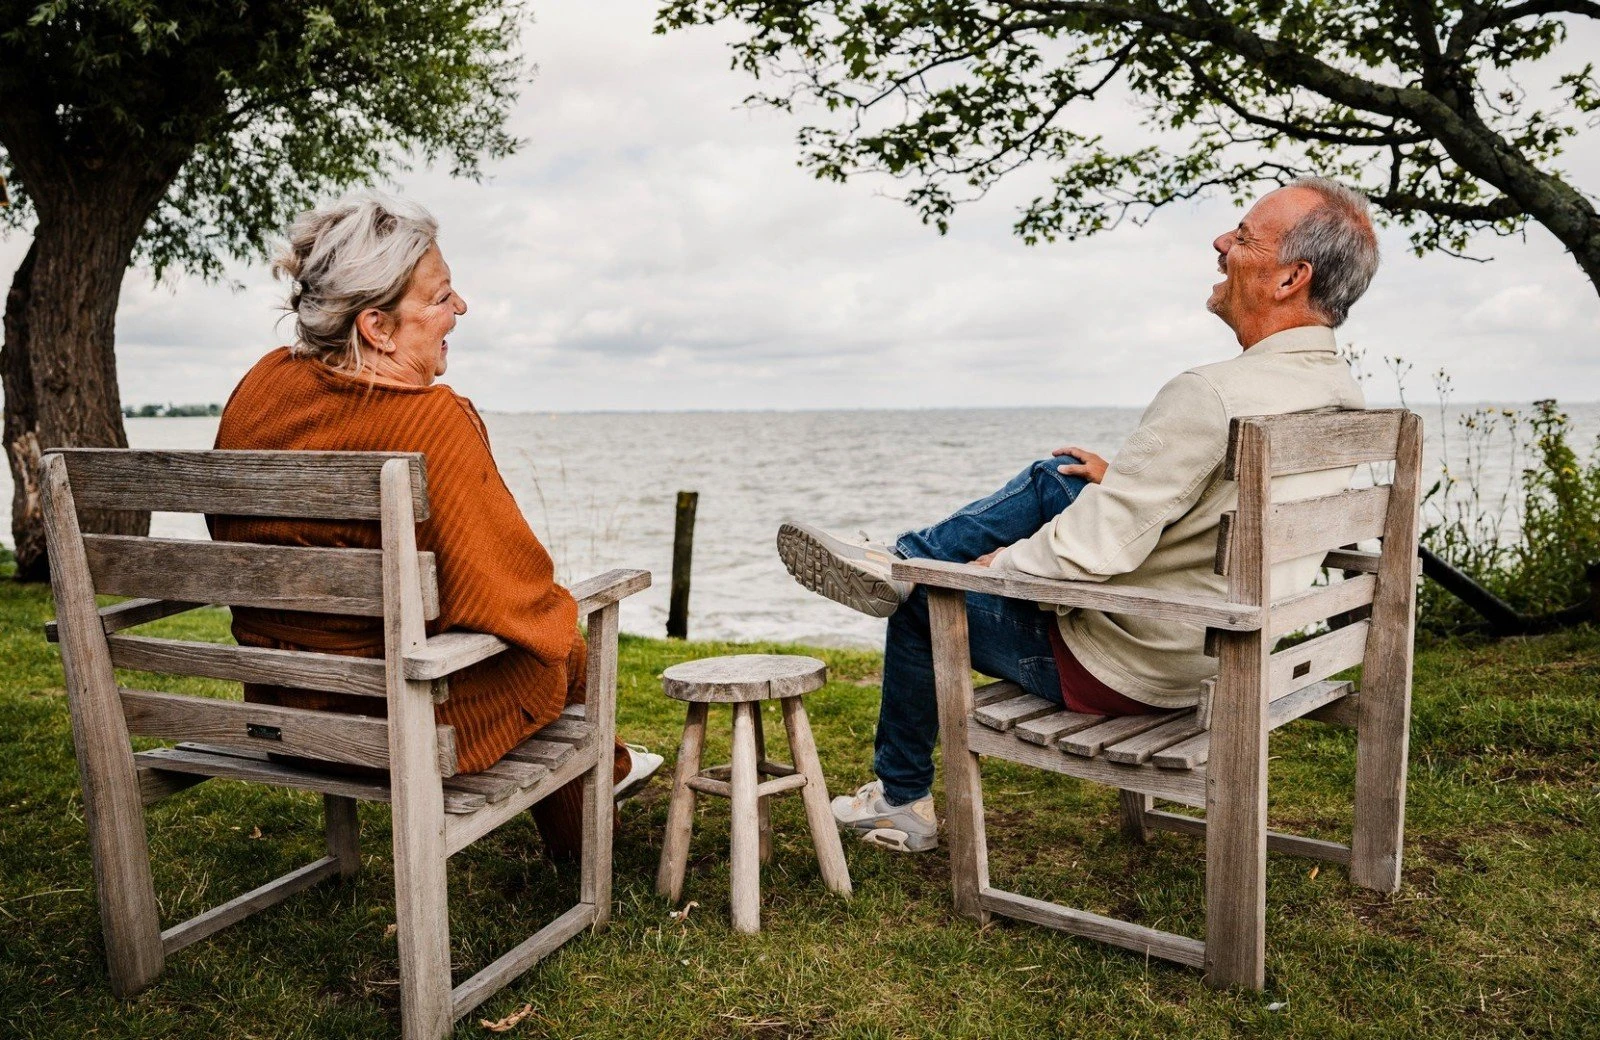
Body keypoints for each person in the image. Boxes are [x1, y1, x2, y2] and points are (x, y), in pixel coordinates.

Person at [779, 177, 1377, 853]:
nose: (1219, 243)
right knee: (1056, 477)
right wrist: (1121, 480)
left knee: (921, 598)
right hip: (1225, 650)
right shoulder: (1341, 396)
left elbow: (1091, 550)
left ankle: (899, 794)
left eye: (1242, 237)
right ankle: (896, 559)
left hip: (1135, 666)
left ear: (1291, 278)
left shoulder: (1211, 394)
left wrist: (995, 568)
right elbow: (1235, 511)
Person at [209, 193, 661, 861]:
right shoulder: (431, 424)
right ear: (377, 327)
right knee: (561, 651)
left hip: (284, 705)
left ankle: (612, 778)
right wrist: (554, 614)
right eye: (443, 296)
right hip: (398, 724)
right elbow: (508, 599)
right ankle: (592, 834)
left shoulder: (259, 389)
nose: (462, 309)